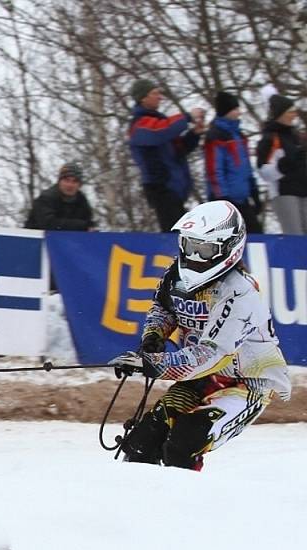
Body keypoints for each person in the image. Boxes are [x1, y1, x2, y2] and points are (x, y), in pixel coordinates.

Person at [109, 201, 291, 471]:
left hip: (246, 384)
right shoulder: (176, 274)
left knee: (183, 443)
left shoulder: (240, 293)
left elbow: (212, 354)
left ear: (228, 248)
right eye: (189, 245)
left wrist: (156, 364)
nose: (193, 256)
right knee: (142, 442)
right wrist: (154, 336)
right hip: (199, 381)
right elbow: (163, 307)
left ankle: (193, 508)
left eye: (204, 249)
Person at [128, 79, 205, 231]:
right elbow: (160, 132)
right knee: (176, 236)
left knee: (187, 234)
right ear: (143, 98)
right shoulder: (139, 125)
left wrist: (194, 134)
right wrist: (187, 117)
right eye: (155, 93)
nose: (160, 97)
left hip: (174, 189)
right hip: (161, 187)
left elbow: (178, 150)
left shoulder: (157, 121)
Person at [204, 91, 262, 233]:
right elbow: (214, 170)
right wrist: (223, 198)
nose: (239, 113)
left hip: (242, 199)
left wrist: (254, 193)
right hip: (225, 201)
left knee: (256, 236)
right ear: (226, 111)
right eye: (235, 109)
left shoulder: (239, 135)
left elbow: (247, 168)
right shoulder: (216, 136)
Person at [256, 90, 307, 234]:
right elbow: (263, 171)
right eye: (290, 111)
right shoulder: (270, 138)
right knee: (295, 236)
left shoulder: (295, 136)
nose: (294, 114)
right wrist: (283, 165)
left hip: (303, 190)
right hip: (284, 192)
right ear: (281, 114)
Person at [24, 162, 94, 231]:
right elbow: (49, 224)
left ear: (79, 184)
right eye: (66, 180)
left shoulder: (82, 202)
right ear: (59, 181)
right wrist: (82, 225)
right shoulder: (46, 199)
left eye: (75, 181)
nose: (70, 185)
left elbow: (88, 224)